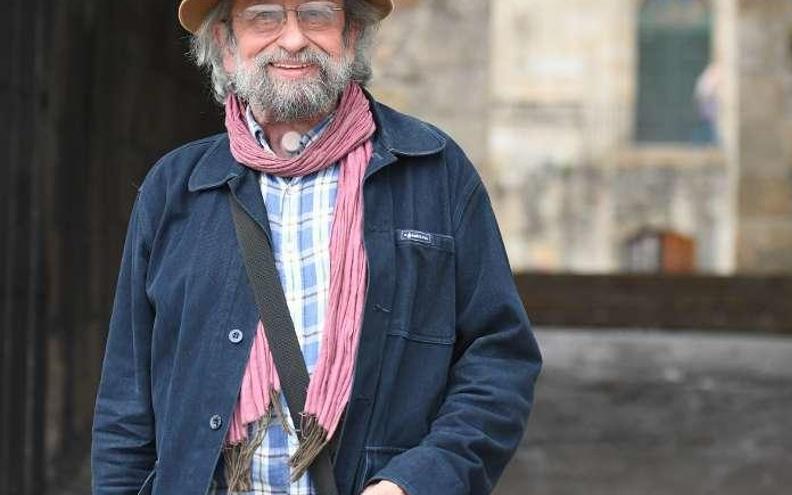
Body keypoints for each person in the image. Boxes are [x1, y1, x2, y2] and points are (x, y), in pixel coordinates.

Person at [90, 0, 542, 493]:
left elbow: (498, 358)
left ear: (350, 34)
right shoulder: (174, 189)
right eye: (264, 15)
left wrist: (418, 482)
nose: (292, 39)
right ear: (225, 42)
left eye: (316, 14)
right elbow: (125, 406)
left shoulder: (434, 170)